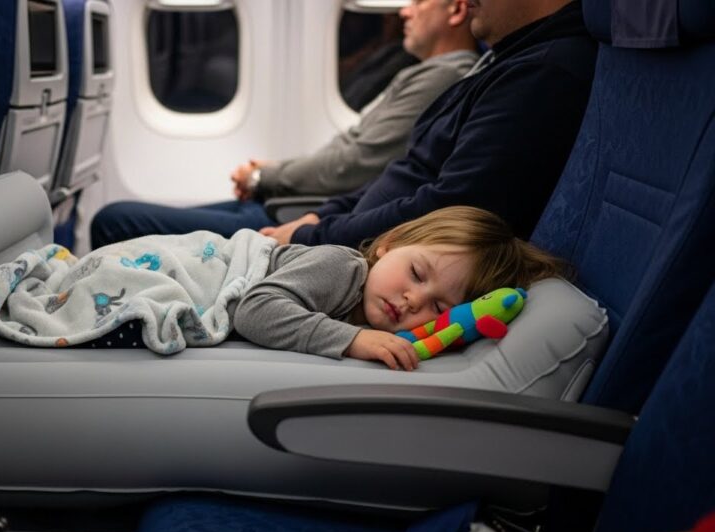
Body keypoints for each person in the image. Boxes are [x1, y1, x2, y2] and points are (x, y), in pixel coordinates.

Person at [90, 0, 481, 248]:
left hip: (296, 213)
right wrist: (268, 175)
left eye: (418, 1)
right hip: (290, 205)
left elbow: (355, 161)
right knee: (126, 215)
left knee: (114, 219)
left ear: (457, 10)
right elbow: (350, 146)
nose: (404, 11)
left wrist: (268, 177)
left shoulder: (443, 76)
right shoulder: (422, 71)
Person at [260, 0, 597, 249]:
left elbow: (449, 208)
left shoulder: (544, 74)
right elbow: (408, 170)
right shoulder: (507, 60)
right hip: (353, 237)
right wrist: (324, 216)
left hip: (387, 262)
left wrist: (315, 235)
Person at [233, 206, 565, 370]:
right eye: (417, 273)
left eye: (437, 308)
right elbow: (255, 310)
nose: (414, 299)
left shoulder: (369, 313)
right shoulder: (341, 268)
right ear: (389, 245)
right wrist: (352, 339)